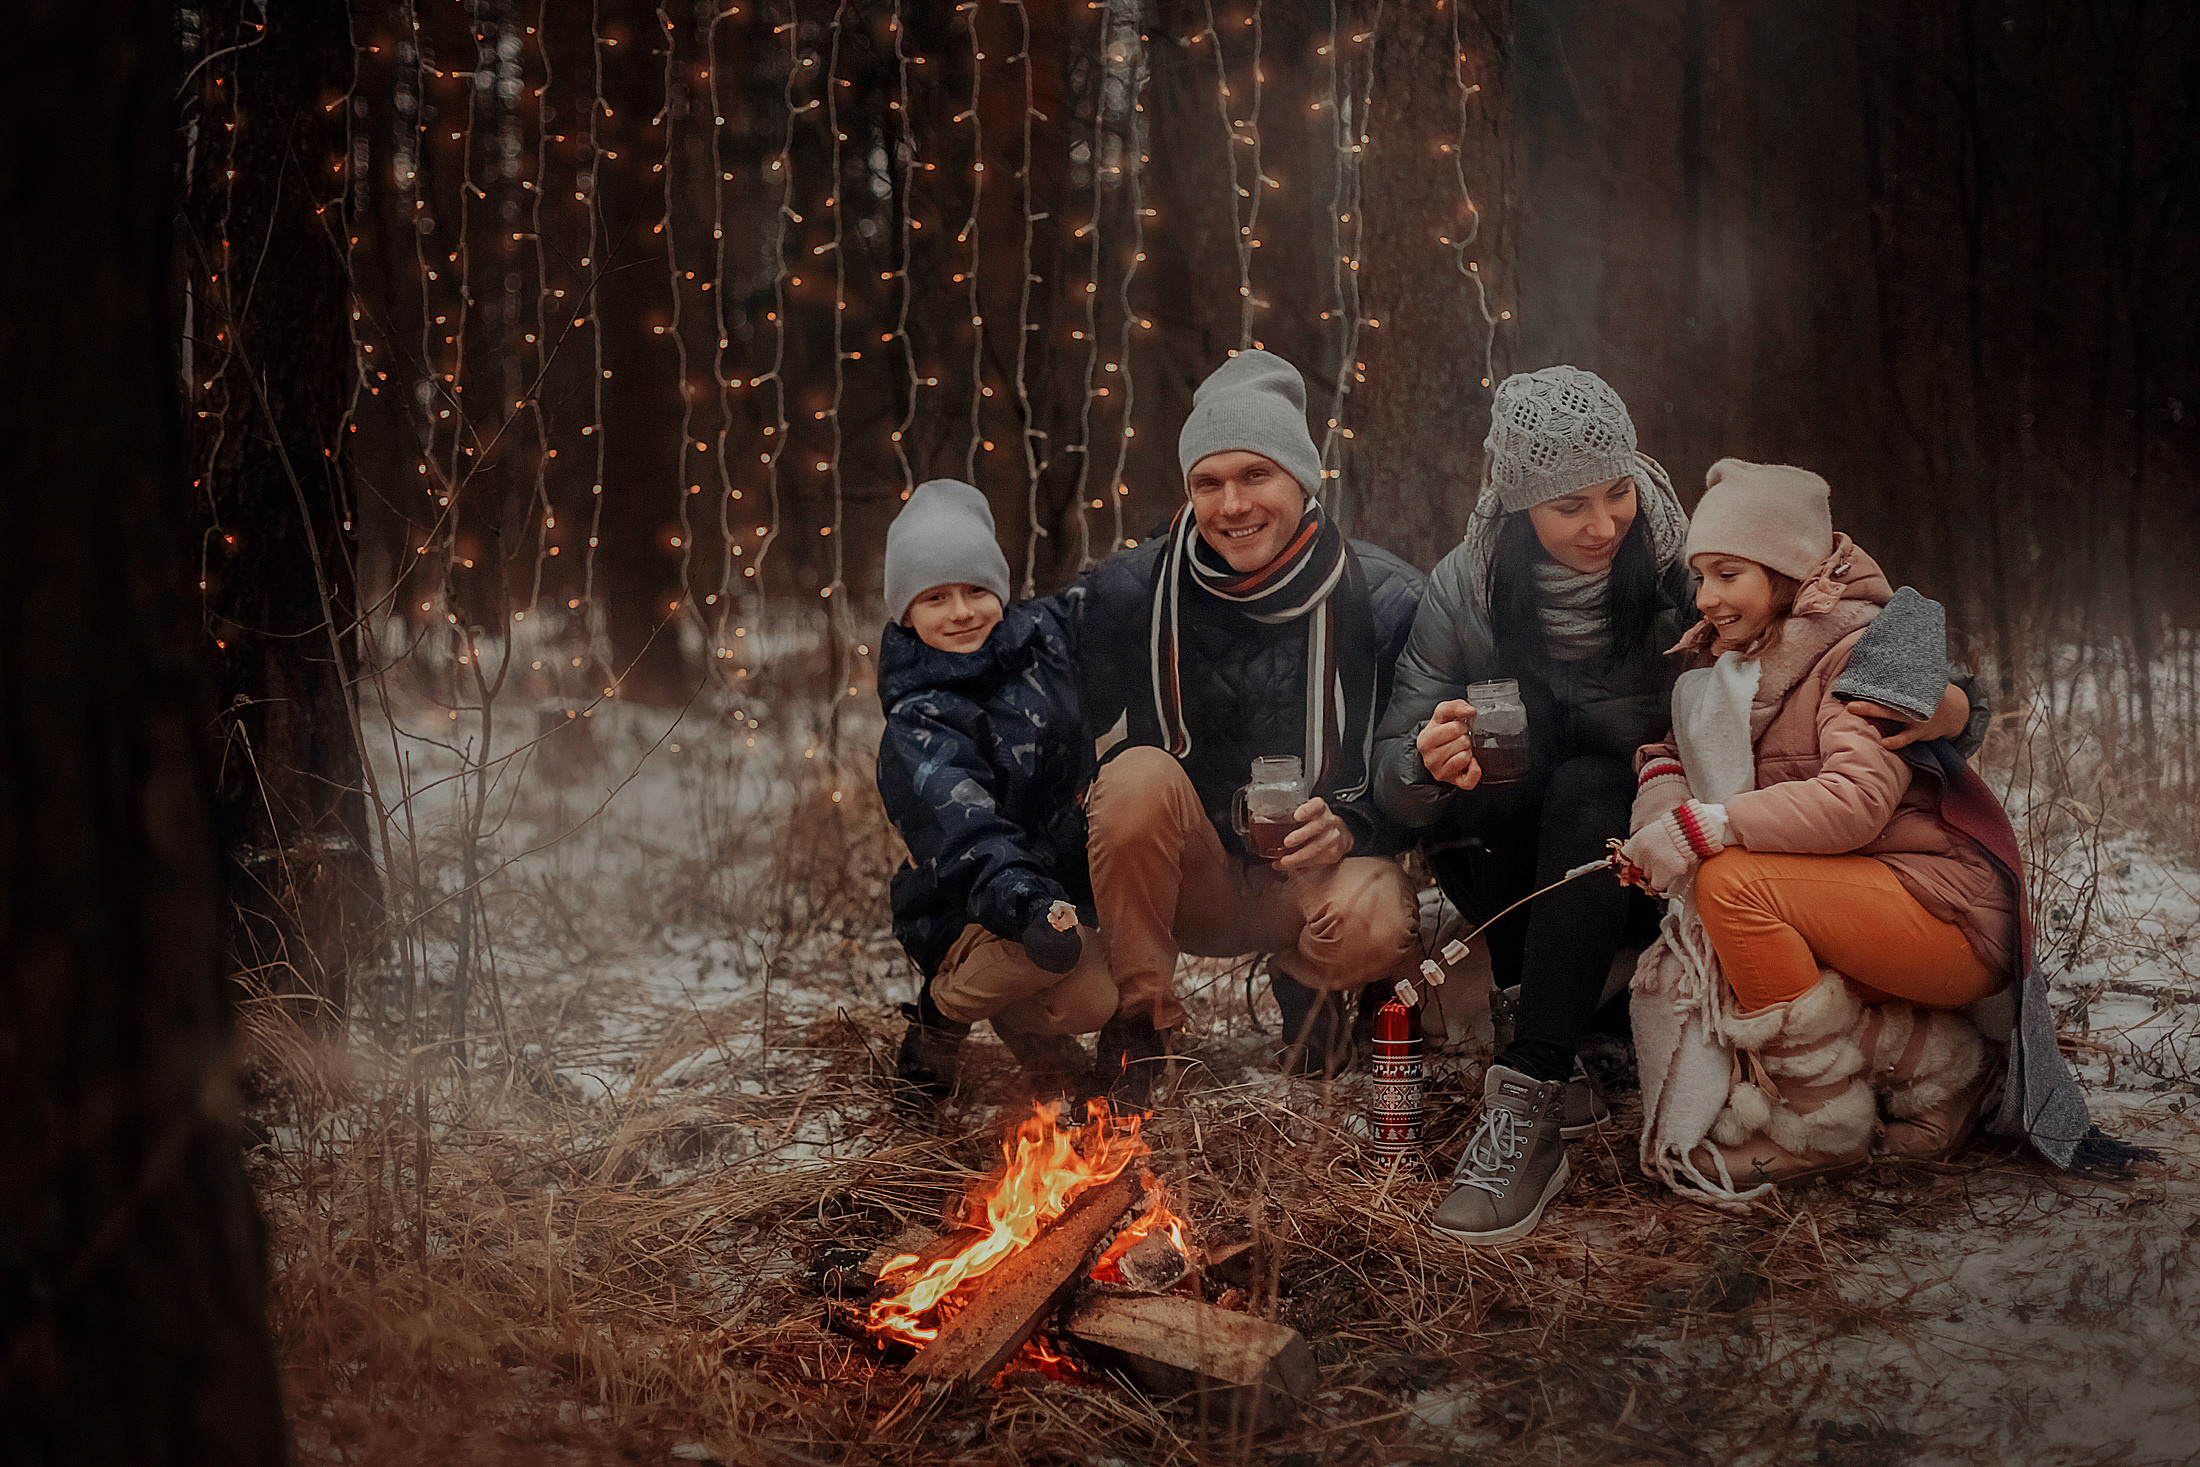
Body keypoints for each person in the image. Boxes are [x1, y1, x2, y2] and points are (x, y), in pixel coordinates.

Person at [1370, 367, 1975, 1244]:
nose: (1603, 523)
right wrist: (1425, 759)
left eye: (1617, 492)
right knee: (1506, 756)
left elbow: (1831, 617)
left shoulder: (1685, 566)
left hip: (1646, 862)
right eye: (1569, 505)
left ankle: (1531, 1086)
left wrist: (1953, 702)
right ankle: (1530, 1007)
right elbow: (1394, 777)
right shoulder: (1465, 588)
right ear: (1516, 506)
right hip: (1510, 871)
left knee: (1588, 781)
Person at [1621, 459, 2141, 1198]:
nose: (1705, 598)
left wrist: (1706, 825)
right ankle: (1952, 1074)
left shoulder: (1860, 654)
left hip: (1944, 911)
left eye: (1728, 574)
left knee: (1733, 883)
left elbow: (1857, 800)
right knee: (1721, 934)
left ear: (1785, 571)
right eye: (1700, 575)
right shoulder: (1732, 669)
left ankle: (1817, 1128)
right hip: (1863, 901)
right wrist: (1657, 830)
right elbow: (1670, 758)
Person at [1077, 350, 1426, 1106]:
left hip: (1310, 880)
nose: (1231, 504)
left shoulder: (1383, 596)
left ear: (1302, 479)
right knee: (1133, 776)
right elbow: (1052, 717)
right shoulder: (1132, 593)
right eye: (1209, 482)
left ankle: (1309, 980)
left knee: (1380, 913)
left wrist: (1353, 824)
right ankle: (1143, 1023)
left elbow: (1416, 767)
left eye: (1255, 475)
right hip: (1191, 877)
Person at [876, 479, 1113, 1106]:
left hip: (1050, 885)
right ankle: (940, 1017)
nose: (961, 611)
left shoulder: (1043, 640)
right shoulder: (918, 721)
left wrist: (1181, 536)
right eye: (935, 597)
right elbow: (967, 833)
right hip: (965, 903)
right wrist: (1031, 906)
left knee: (1097, 979)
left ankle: (1031, 1037)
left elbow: (1114, 590)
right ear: (905, 613)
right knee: (1062, 966)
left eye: (976, 590)